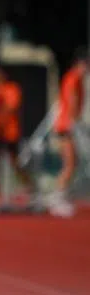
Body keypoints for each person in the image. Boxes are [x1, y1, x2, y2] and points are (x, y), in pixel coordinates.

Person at [0, 64, 37, 203]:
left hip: (10, 132)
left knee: (15, 162)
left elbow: (12, 107)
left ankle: (30, 186)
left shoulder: (11, 88)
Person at [49, 48, 87, 217]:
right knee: (70, 164)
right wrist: (75, 124)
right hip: (66, 126)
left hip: (69, 125)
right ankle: (57, 198)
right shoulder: (73, 78)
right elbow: (72, 102)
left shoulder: (77, 79)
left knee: (73, 163)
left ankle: (62, 196)